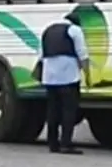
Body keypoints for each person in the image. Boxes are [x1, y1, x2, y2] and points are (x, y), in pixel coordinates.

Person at [38, 11, 90, 154]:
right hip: (68, 76)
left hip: (49, 77)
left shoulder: (48, 30)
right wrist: (88, 75)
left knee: (53, 109)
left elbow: (41, 55)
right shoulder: (75, 30)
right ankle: (66, 143)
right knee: (69, 110)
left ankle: (53, 143)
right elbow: (82, 54)